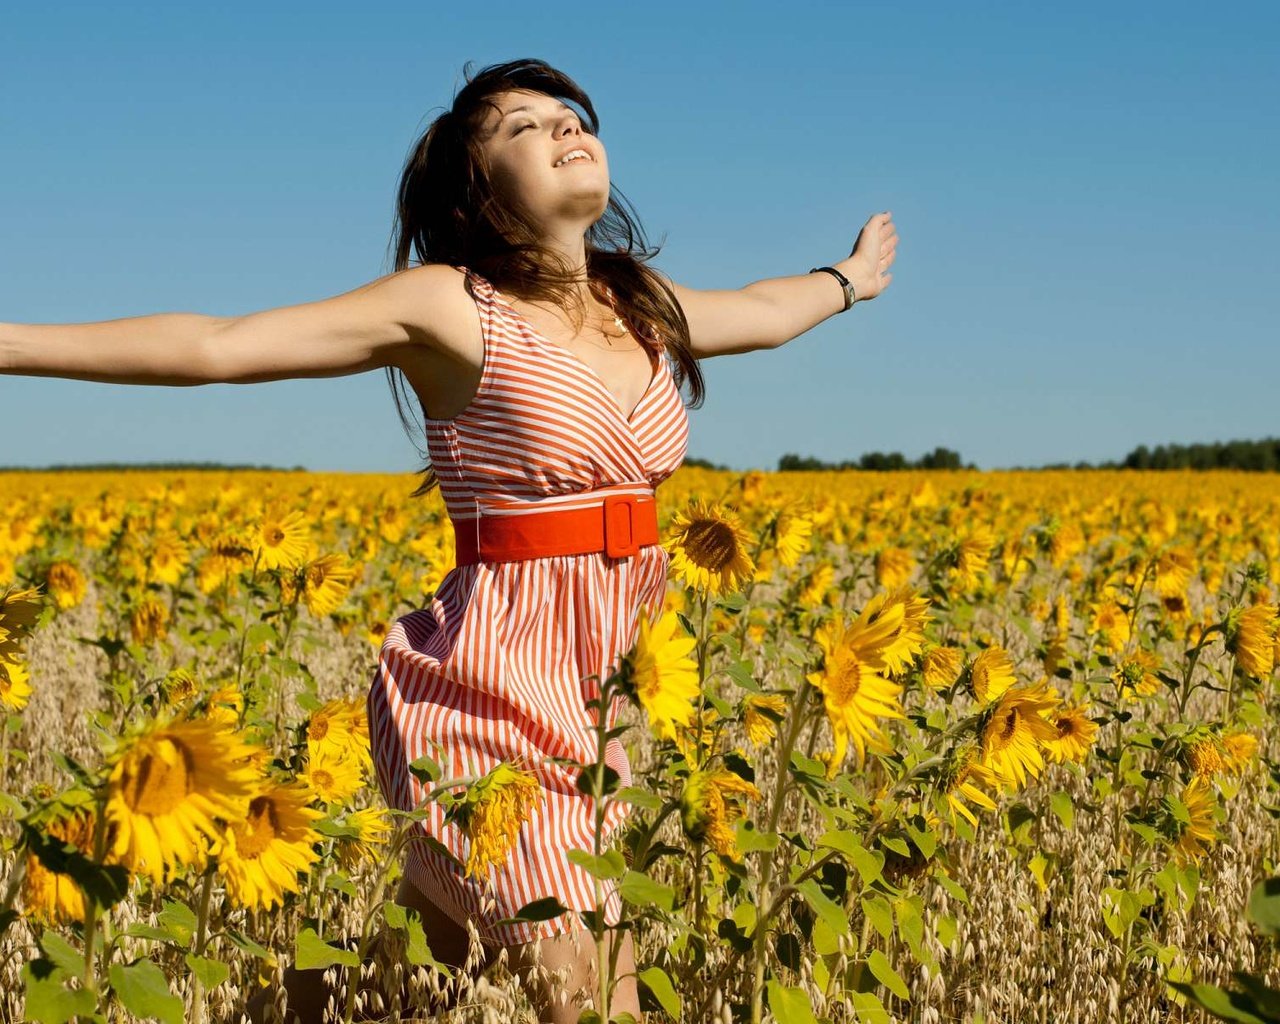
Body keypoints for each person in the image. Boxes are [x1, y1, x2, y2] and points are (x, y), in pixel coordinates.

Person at [0, 56, 896, 1024]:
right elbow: (217, 346)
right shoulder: (447, 305)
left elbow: (762, 314)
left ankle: (322, 996)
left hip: (608, 693)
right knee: (577, 989)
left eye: (568, 115)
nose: (562, 129)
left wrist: (842, 279)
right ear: (477, 188)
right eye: (523, 127)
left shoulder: (637, 304)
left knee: (464, 968)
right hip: (485, 687)